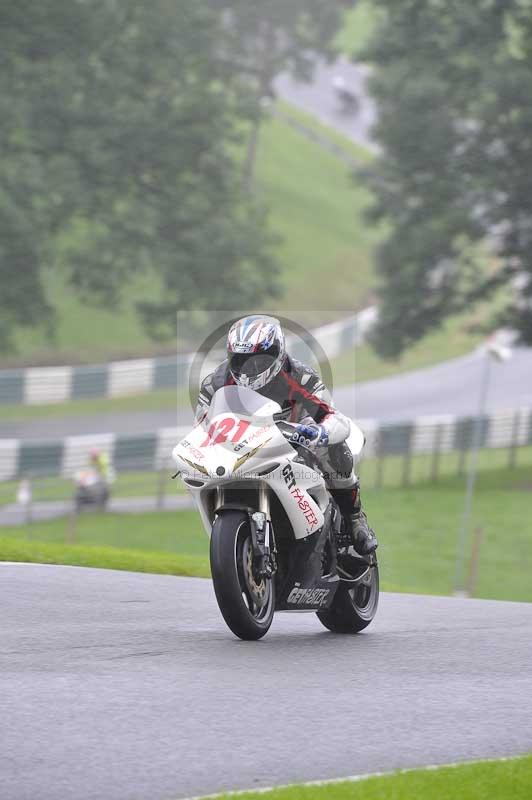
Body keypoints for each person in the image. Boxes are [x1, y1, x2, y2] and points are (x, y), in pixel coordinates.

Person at [195, 315, 377, 555]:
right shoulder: (215, 383)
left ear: (278, 352)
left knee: (332, 448)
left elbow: (333, 417)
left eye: (260, 359)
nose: (251, 367)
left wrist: (319, 432)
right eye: (242, 360)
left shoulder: (300, 377)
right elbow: (202, 424)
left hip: (295, 442)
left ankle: (354, 518)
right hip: (244, 446)